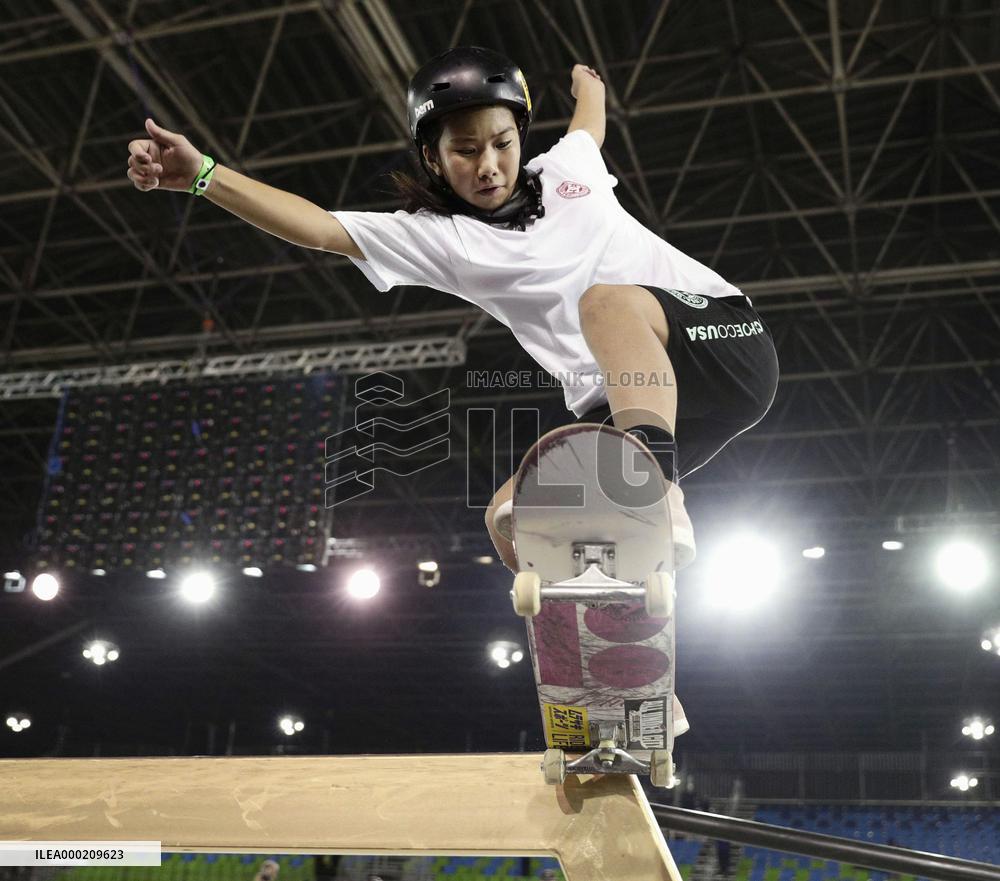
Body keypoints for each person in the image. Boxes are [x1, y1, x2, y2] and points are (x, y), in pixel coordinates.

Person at [126, 46, 777, 614]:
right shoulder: (441, 239)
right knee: (512, 517)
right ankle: (618, 671)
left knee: (604, 304)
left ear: (520, 134)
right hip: (641, 406)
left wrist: (591, 88)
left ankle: (656, 492)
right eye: (465, 152)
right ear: (434, 160)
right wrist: (205, 177)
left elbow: (588, 127)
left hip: (725, 341)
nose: (489, 165)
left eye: (501, 143)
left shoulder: (567, 171)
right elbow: (321, 227)